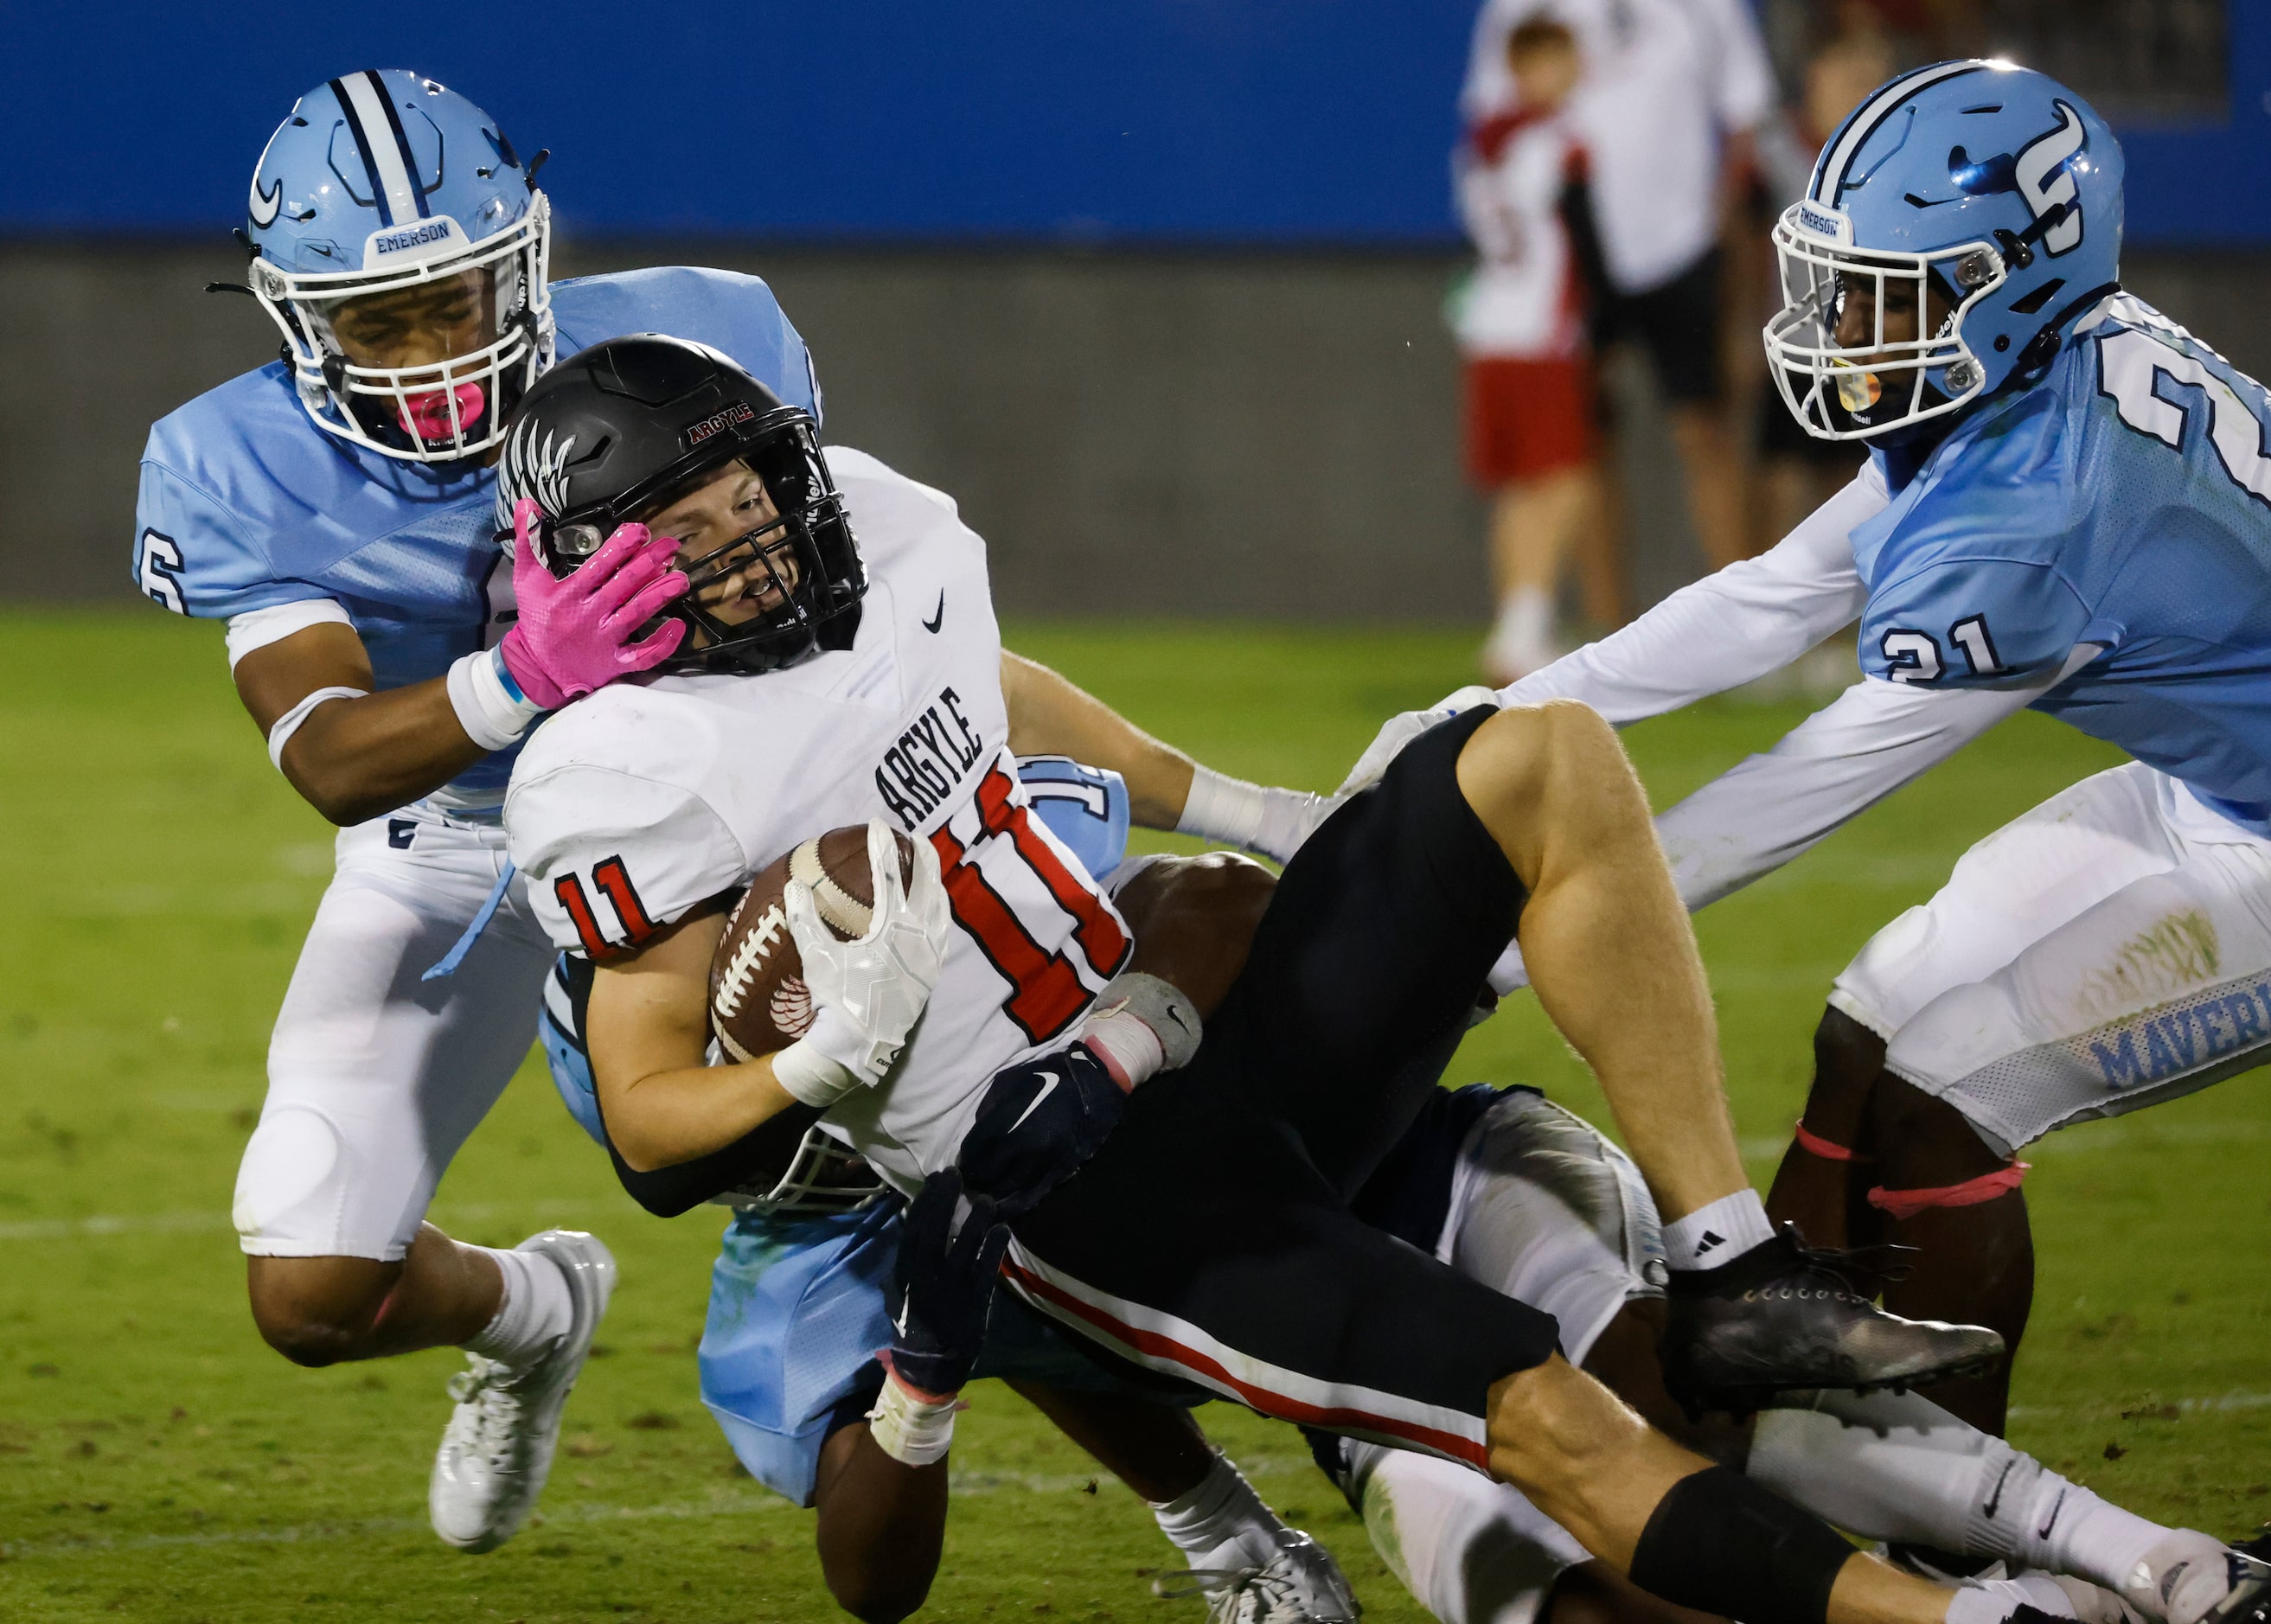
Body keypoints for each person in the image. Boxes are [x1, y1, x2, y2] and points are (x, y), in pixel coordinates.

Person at [501, 334, 2025, 1624]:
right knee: (1539, 1409)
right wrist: (811, 1067)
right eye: (682, 525)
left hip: (1176, 1018)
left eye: (747, 486)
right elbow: (644, 1117)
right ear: (595, 577)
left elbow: (977, 677)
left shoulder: (886, 529)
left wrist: (1241, 806)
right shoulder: (631, 774)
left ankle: (1726, 1267)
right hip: (1078, 1181)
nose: (747, 531)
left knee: (1532, 751)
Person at [542, 823, 2262, 1624]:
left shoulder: (956, 906)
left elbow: (1216, 902)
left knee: (1666, 1400)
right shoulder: (803, 1285)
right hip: (1332, 1371)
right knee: (1570, 1597)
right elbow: (905, 1521)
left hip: (1419, 1180)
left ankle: (2138, 1563)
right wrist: (1198, 1515)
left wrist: (1113, 1051)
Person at [1426, 61, 2271, 1455]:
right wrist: (1497, 720)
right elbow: (1770, 593)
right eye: (1844, 279)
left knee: (1949, 1085)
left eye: (1897, 289)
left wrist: (1485, 947)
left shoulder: (2041, 507)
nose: (1850, 324)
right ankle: (1783, 1408)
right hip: (2217, 782)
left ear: (2020, 279)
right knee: (1867, 1022)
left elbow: (1787, 795)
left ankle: (1960, 1526)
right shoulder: (2045, 361)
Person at [134, 67, 843, 1555]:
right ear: (295, 318)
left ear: (526, 256)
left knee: (965, 1127)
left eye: (458, 298)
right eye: (379, 320)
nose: (436, 351)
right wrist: (518, 677)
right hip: (458, 838)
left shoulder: (689, 340)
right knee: (312, 1291)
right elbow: (327, 751)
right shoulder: (234, 462)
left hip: (719, 803)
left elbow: (849, 585)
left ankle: (1207, 1498)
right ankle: (536, 1309)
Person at [1463, 0, 1776, 579]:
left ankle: (1751, 625)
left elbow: (1744, 122)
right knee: (1580, 448)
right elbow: (1492, 127)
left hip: (1683, 244)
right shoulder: (1516, 9)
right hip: (1572, 262)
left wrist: (1739, 274)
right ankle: (1607, 633)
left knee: (1707, 432)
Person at [1453, 16, 1607, 682]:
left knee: (1520, 485)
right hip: (1544, 333)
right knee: (1569, 479)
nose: (1568, 73)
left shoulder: (1481, 143)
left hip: (1490, 323)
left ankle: (1517, 627)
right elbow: (1582, 242)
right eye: (1554, 61)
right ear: (1522, 68)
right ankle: (1523, 626)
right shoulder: (1559, 141)